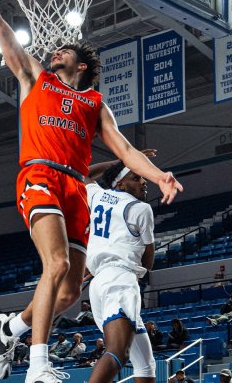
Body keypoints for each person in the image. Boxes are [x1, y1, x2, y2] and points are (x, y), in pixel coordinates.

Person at [0, 0, 182, 382]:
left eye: (65, 50)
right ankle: (38, 367)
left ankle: (10, 327)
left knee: (68, 293)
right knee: (58, 265)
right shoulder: (33, 77)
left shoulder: (94, 104)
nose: (55, 50)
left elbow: (123, 151)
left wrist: (160, 176)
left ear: (81, 65)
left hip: (76, 190)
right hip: (39, 175)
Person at [85, 160, 157, 383]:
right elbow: (148, 262)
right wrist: (126, 159)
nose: (144, 182)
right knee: (118, 351)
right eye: (136, 177)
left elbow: (84, 173)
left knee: (145, 363)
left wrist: (121, 161)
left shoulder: (97, 196)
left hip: (98, 283)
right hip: (121, 279)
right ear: (121, 184)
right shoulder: (141, 209)